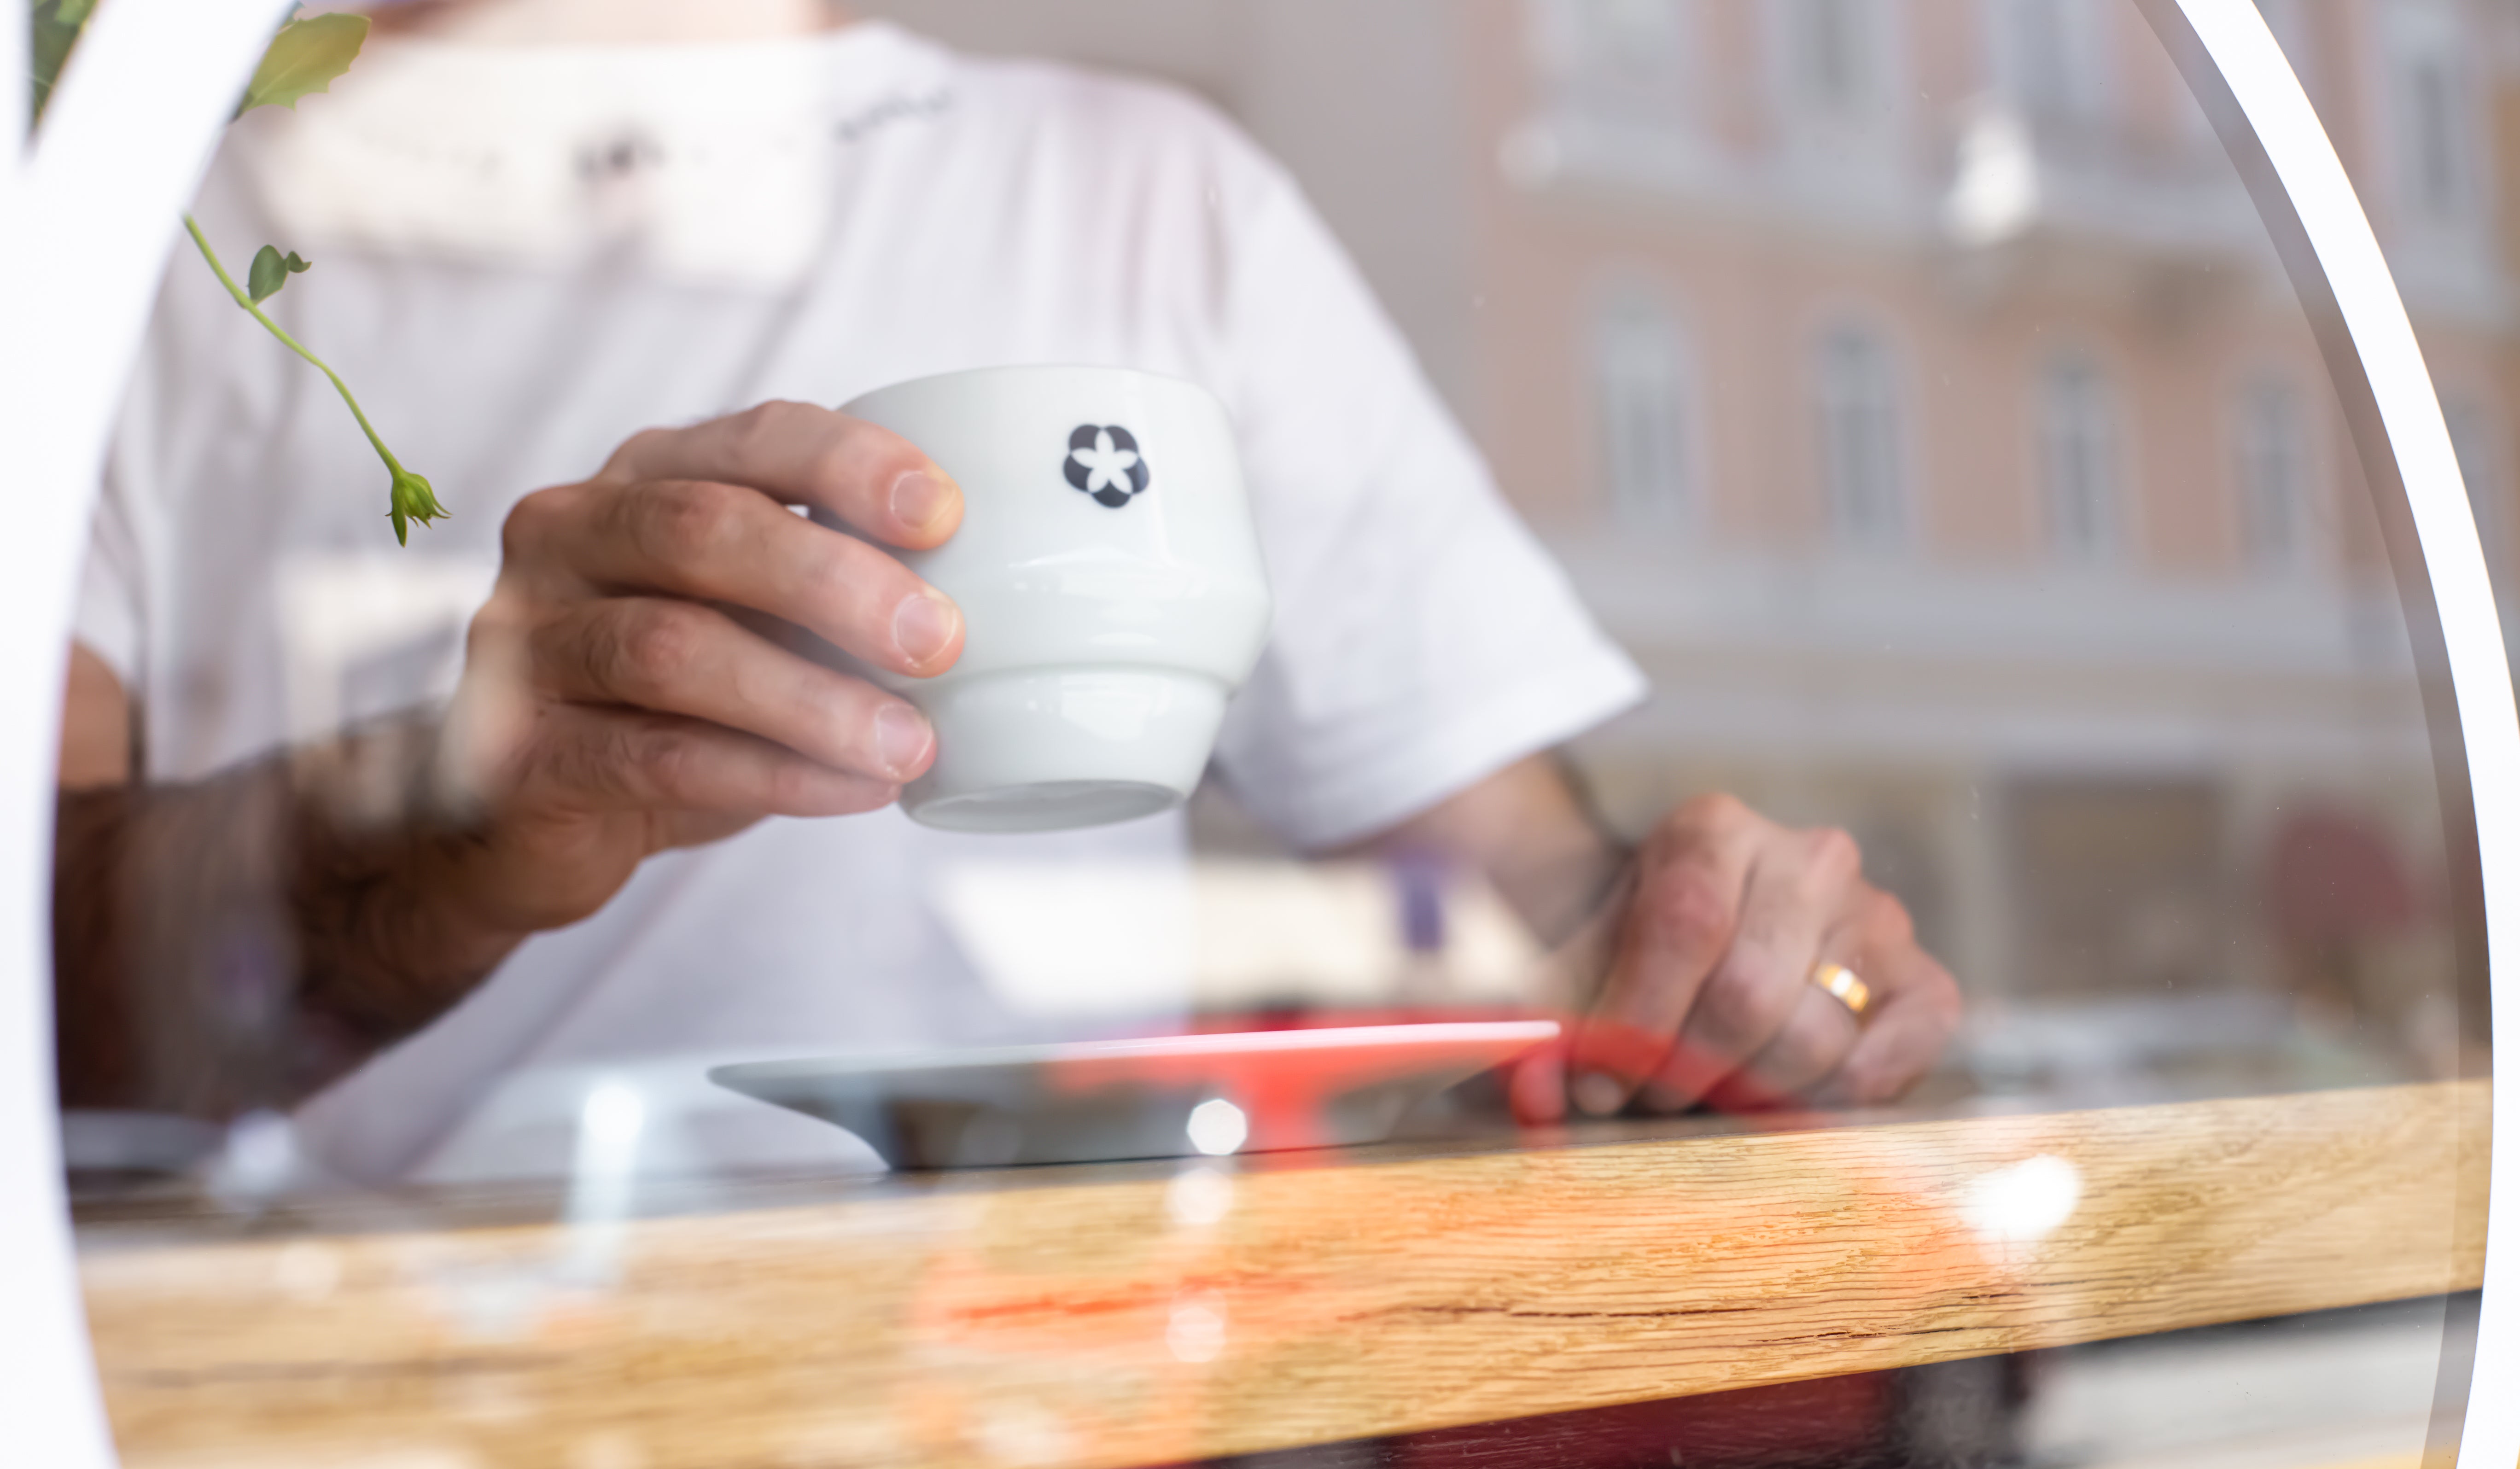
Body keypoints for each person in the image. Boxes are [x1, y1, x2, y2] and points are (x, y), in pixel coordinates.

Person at [52, 0, 1961, 1183]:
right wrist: (442, 828)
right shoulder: (128, 235)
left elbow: (1515, 892)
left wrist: (1717, 947)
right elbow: (36, 1007)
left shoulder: (1159, 198)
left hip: (1057, 1463)